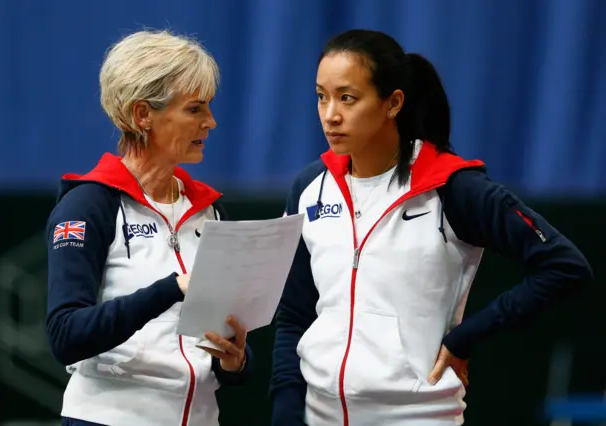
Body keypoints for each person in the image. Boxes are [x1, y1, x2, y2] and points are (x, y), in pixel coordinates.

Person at [270, 29, 593, 426]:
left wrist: (466, 337)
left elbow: (564, 265)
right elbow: (294, 313)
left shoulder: (453, 187)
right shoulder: (310, 187)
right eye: (322, 96)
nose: (330, 114)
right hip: (321, 415)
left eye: (347, 98)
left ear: (393, 103)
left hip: (419, 415)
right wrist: (286, 409)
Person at [45, 30, 252, 426]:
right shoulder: (89, 205)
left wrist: (235, 360)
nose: (211, 122)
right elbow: (65, 334)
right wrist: (171, 288)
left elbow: (213, 347)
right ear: (143, 115)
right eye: (195, 109)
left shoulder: (208, 209)